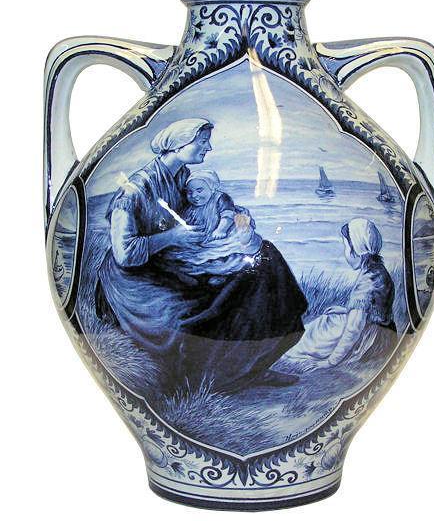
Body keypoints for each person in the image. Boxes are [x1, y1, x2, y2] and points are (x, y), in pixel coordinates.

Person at [95, 118, 306, 392]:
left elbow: (203, 206)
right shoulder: (134, 191)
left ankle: (250, 367)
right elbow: (125, 254)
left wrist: (237, 217)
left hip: (174, 260)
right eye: (203, 141)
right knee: (190, 313)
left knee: (265, 262)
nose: (209, 147)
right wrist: (173, 237)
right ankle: (206, 381)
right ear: (179, 145)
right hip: (134, 277)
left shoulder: (181, 175)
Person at [278, 218, 397, 372]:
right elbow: (373, 310)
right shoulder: (379, 272)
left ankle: (289, 350)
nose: (345, 252)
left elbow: (353, 330)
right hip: (382, 332)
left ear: (357, 250)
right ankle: (292, 344)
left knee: (322, 327)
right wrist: (346, 311)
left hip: (368, 339)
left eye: (346, 247)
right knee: (329, 319)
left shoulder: (367, 283)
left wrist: (330, 362)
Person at [162, 169, 263, 286]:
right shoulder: (192, 207)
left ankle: (221, 275)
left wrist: (221, 230)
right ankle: (200, 274)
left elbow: (227, 215)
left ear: (212, 188)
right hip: (204, 237)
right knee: (190, 255)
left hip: (222, 234)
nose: (194, 195)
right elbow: (184, 220)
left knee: (224, 254)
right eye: (189, 192)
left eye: (199, 190)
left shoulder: (221, 198)